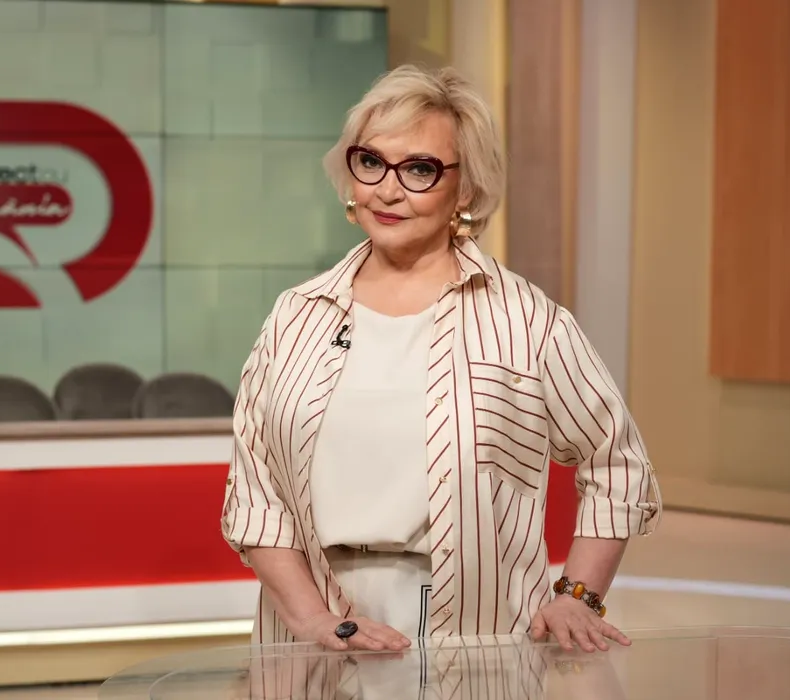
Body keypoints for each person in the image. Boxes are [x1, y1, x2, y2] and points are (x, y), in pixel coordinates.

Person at [221, 64, 661, 657]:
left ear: (467, 187)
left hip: (475, 634)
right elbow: (256, 493)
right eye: (371, 161)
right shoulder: (295, 317)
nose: (388, 190)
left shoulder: (527, 321)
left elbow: (617, 464)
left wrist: (578, 595)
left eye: (420, 169)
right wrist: (311, 620)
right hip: (312, 626)